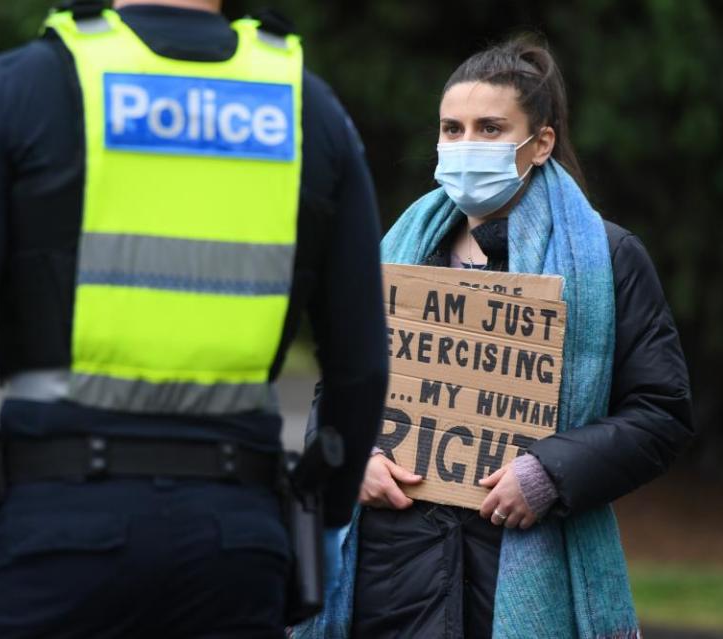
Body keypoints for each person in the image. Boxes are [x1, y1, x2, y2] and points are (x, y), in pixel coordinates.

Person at [0, 1, 388, 637]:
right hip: (235, 548)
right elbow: (362, 365)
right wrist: (331, 519)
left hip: (54, 529)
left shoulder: (27, 85)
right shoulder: (309, 107)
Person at [295, 34, 694, 639]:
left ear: (540, 144)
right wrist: (356, 459)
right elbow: (341, 390)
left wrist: (549, 476)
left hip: (518, 566)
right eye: (451, 129)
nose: (465, 145)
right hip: (390, 580)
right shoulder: (396, 253)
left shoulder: (608, 259)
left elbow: (660, 413)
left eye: (489, 127)